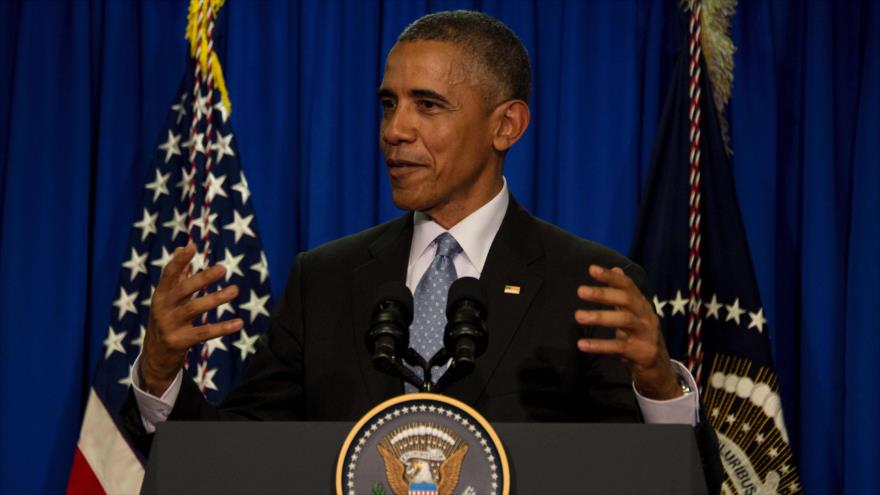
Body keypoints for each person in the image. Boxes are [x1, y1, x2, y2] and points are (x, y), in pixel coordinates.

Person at [122, 10, 721, 490]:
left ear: (506, 126)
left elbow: (660, 479)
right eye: (389, 103)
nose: (394, 130)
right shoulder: (324, 279)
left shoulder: (589, 283)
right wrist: (158, 375)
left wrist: (659, 389)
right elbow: (240, 459)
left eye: (427, 105)